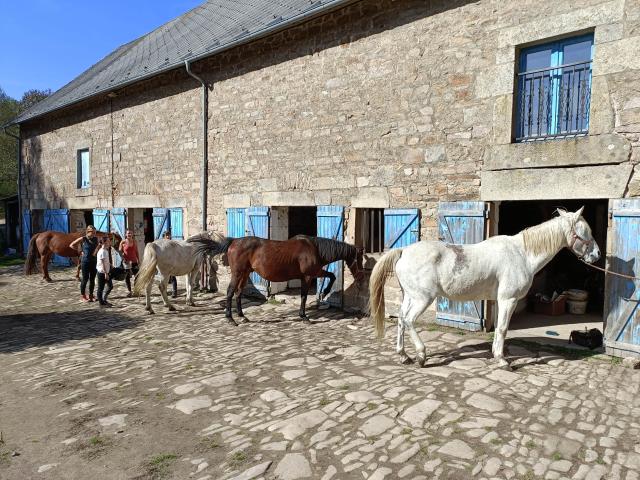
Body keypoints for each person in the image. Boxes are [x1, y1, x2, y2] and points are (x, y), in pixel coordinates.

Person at [70, 225, 99, 302]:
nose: (93, 233)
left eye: (94, 232)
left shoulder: (96, 239)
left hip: (94, 261)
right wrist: (80, 251)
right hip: (85, 261)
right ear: (88, 231)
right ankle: (83, 295)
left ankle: (91, 295)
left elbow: (97, 248)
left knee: (92, 279)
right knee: (85, 279)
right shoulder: (83, 239)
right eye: (92, 232)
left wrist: (96, 252)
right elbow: (72, 245)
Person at [119, 229, 140, 297]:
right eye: (128, 233)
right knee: (127, 277)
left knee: (137, 276)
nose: (129, 234)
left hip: (134, 261)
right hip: (127, 262)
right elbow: (119, 251)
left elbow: (136, 251)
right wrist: (123, 258)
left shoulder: (134, 241)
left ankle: (136, 290)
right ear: (126, 234)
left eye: (130, 233)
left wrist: (138, 260)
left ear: (132, 234)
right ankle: (129, 291)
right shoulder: (123, 242)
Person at [96, 236, 115, 307]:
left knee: (110, 286)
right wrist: (106, 274)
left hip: (106, 271)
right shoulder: (102, 251)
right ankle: (101, 303)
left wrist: (110, 264)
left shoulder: (105, 250)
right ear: (104, 242)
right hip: (102, 273)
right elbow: (102, 263)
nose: (110, 242)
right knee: (100, 288)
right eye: (108, 241)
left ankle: (104, 299)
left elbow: (105, 261)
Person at [163, 229, 178, 297]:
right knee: (164, 278)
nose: (168, 237)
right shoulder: (162, 244)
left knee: (173, 277)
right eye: (167, 235)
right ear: (164, 236)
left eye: (169, 235)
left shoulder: (172, 243)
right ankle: (164, 291)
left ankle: (174, 292)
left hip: (171, 262)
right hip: (164, 263)